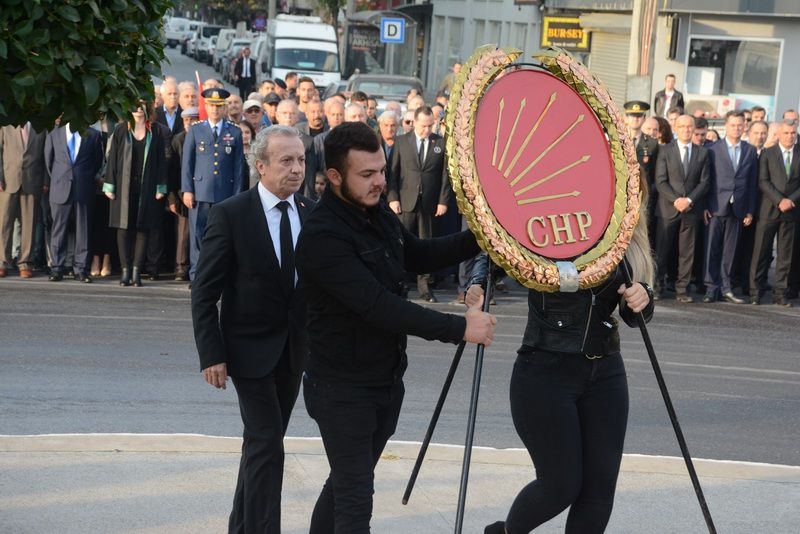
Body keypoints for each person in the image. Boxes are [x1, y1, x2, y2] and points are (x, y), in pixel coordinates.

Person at [295, 121, 496, 532]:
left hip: (384, 381)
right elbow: (379, 307)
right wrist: (460, 329)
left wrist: (484, 237)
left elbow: (418, 254)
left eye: (381, 171)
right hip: (341, 389)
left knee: (344, 486)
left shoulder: (376, 215)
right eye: (366, 174)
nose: (379, 181)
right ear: (334, 177)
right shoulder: (322, 235)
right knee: (355, 501)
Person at [476, 186, 654, 534]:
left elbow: (635, 317)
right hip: (544, 371)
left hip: (605, 372)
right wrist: (475, 283)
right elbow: (493, 251)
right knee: (560, 486)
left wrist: (643, 297)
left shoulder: (622, 234)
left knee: (599, 489)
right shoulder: (550, 213)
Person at [192, 125, 315, 533]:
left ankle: (240, 526)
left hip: (294, 353)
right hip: (247, 353)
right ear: (260, 165)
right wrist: (213, 354)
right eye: (286, 161)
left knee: (260, 444)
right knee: (267, 444)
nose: (296, 169)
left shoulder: (312, 215)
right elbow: (204, 292)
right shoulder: (231, 214)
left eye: (300, 160)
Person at [388, 106, 451, 302]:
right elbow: (393, 173)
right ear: (414, 122)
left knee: (426, 245)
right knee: (401, 244)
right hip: (405, 202)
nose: (427, 129)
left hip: (429, 204)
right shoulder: (401, 141)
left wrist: (443, 201)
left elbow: (445, 176)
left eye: (430, 125)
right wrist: (393, 198)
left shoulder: (439, 142)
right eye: (423, 125)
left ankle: (425, 287)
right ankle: (400, 284)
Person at [181, 88, 244, 282]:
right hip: (200, 191)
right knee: (198, 235)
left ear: (224, 107)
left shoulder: (234, 131)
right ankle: (197, 276)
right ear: (205, 106)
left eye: (218, 106)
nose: (214, 110)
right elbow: (187, 163)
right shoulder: (196, 129)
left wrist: (237, 195)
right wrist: (187, 190)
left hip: (225, 194)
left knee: (223, 236)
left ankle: (218, 275)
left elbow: (238, 167)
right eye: (211, 106)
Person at [103, 99, 168, 287]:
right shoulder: (121, 130)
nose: (139, 109)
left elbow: (161, 162)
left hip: (146, 188)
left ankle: (136, 271)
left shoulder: (154, 131)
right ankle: (125, 271)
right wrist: (110, 185)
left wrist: (160, 187)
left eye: (142, 106)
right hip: (123, 187)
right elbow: (112, 159)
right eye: (135, 106)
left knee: (143, 228)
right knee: (123, 229)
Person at [654, 114, 711, 301]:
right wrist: (677, 200)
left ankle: (682, 290)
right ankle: (657, 286)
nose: (686, 129)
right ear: (676, 128)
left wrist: (689, 201)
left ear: (694, 128)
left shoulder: (702, 152)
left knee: (687, 253)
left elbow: (705, 182)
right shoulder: (665, 151)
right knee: (662, 251)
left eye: (689, 126)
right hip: (668, 209)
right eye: (682, 126)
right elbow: (660, 181)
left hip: (691, 210)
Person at [703, 110, 757, 304]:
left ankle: (726, 288)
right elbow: (707, 179)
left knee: (730, 251)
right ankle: (711, 288)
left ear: (744, 126)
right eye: (733, 125)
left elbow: (752, 183)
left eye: (740, 125)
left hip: (739, 208)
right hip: (716, 206)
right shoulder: (712, 148)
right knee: (712, 249)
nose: (736, 128)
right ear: (726, 126)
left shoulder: (750, 150)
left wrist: (750, 209)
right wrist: (705, 205)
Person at [44, 121, 104, 282]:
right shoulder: (54, 133)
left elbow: (98, 160)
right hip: (60, 187)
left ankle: (81, 268)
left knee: (83, 230)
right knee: (58, 229)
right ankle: (57, 268)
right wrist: (59, 179)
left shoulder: (94, 135)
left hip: (84, 188)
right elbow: (49, 160)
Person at [749, 119, 799, 306]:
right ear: (778, 135)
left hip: (791, 212)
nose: (790, 136)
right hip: (768, 210)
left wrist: (790, 200)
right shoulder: (768, 153)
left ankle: (780, 293)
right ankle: (755, 292)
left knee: (784, 255)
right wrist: (780, 200)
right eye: (786, 133)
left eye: (793, 133)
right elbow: (763, 181)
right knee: (760, 252)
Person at [0, 122, 47, 278]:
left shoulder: (41, 127)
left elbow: (45, 156)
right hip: (8, 180)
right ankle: (2, 262)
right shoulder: (5, 126)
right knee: (4, 223)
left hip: (32, 181)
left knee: (29, 224)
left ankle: (25, 262)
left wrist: (45, 181)